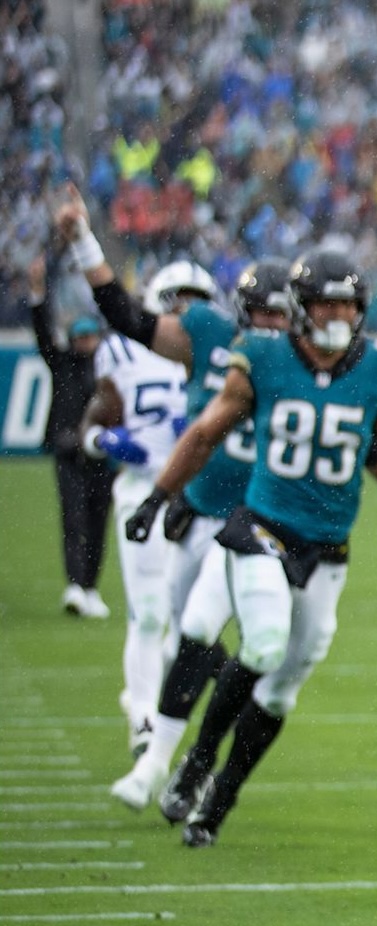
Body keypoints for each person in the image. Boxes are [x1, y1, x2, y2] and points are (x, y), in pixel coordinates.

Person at [124, 251, 377, 846]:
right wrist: (158, 496)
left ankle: (220, 796)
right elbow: (204, 432)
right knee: (264, 639)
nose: (338, 314)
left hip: (327, 543)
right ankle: (193, 764)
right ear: (301, 308)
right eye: (327, 302)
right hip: (263, 525)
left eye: (348, 303)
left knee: (284, 682)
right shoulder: (264, 359)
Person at [84, 252, 299, 811]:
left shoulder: (309, 366)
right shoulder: (213, 337)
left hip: (260, 524)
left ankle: (171, 764)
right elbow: (202, 434)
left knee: (243, 641)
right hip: (202, 510)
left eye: (279, 315)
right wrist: (168, 496)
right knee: (188, 638)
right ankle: (180, 760)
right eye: (259, 314)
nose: (269, 326)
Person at [79, 265, 206, 754]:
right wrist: (104, 440)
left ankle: (143, 697)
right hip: (142, 489)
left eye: (195, 301)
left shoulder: (215, 354)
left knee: (189, 621)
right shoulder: (124, 350)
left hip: (195, 497)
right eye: (178, 299)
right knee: (150, 612)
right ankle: (145, 722)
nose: (185, 310)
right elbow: (93, 420)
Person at [26, 251, 115, 619]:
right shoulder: (61, 361)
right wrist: (37, 292)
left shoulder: (109, 365)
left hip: (102, 454)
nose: (86, 343)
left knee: (97, 522)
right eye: (81, 338)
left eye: (90, 337)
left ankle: (90, 586)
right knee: (74, 518)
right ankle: (76, 585)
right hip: (69, 450)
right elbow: (42, 329)